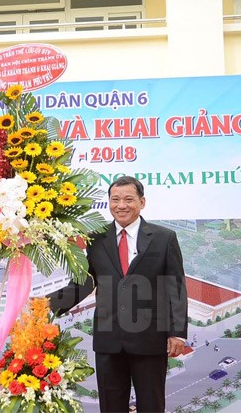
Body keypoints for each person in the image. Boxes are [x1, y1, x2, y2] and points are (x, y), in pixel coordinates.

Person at [49, 175, 188, 413]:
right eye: (115, 199)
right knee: (111, 406)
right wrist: (48, 305)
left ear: (142, 202)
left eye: (128, 199)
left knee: (152, 405)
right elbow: (85, 282)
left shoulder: (164, 238)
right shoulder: (95, 238)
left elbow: (175, 286)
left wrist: (177, 332)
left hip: (150, 338)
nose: (121, 205)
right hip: (109, 339)